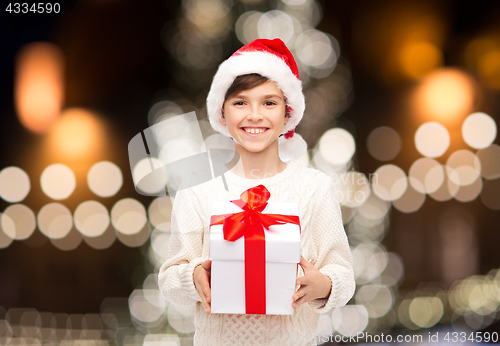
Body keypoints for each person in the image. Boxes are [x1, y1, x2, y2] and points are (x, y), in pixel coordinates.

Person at [158, 38, 355, 346]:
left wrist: (324, 285)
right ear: (222, 113)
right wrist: (192, 276)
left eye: (269, 102)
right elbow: (169, 279)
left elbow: (343, 272)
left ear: (287, 114)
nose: (254, 115)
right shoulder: (197, 191)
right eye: (240, 102)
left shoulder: (315, 189)